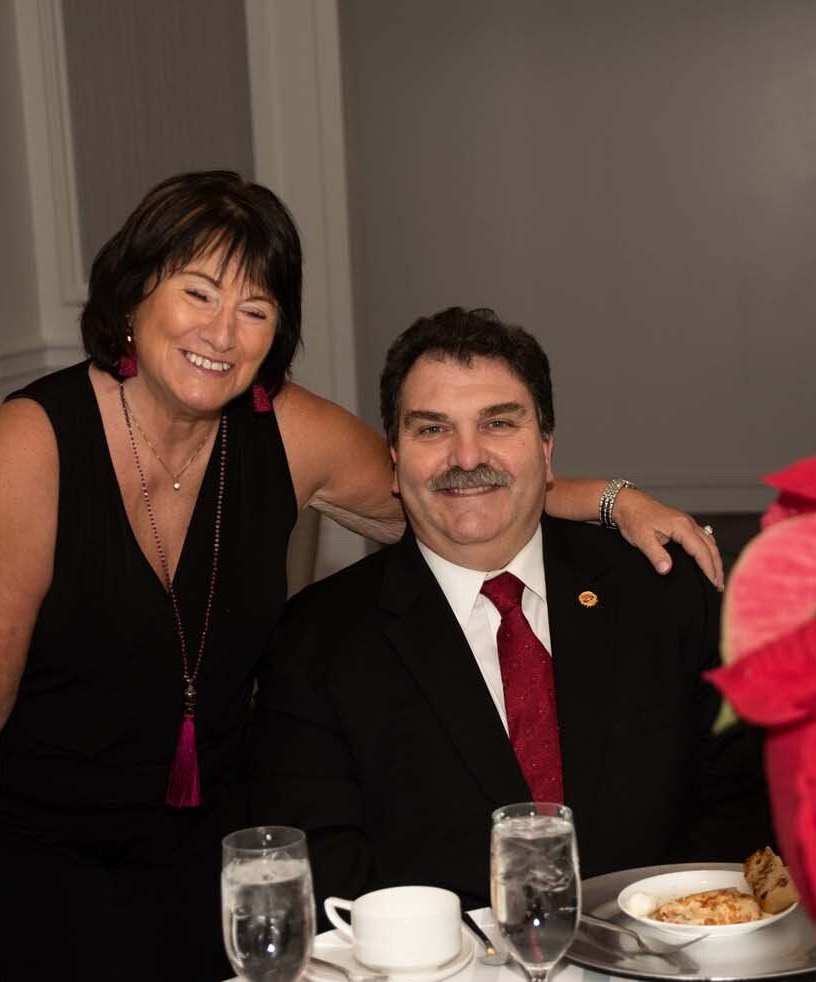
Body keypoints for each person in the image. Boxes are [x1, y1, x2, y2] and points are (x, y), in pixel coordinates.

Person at [0, 173, 724, 982]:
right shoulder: (33, 446)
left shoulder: (286, 430)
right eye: (199, 294)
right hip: (51, 841)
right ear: (133, 294)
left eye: (255, 310)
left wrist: (610, 501)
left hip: (212, 846)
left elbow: (453, 489)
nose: (222, 333)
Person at [247, 307, 773, 912]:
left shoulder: (665, 595)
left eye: (498, 423)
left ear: (546, 450)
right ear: (393, 459)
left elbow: (743, 811)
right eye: (431, 429)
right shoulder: (316, 642)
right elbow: (324, 871)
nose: (467, 457)